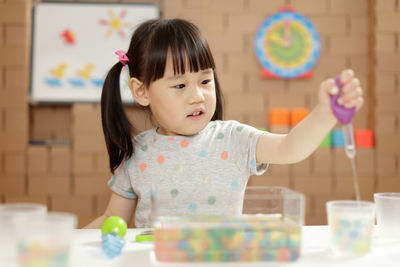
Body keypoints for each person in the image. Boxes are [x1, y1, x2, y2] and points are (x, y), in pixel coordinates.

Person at [84, 18, 363, 228]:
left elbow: (291, 148)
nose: (198, 96)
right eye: (180, 85)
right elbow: (112, 221)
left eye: (205, 81)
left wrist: (326, 113)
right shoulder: (137, 152)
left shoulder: (233, 139)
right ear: (141, 91)